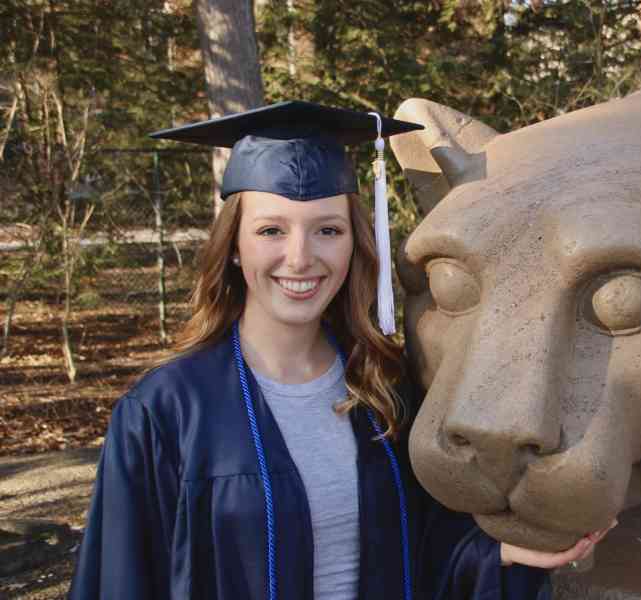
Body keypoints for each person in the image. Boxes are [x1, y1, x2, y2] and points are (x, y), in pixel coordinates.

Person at [68, 102, 610, 600]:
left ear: (355, 243)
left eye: (327, 230)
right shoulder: (165, 412)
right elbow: (122, 579)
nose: (300, 258)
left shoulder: (384, 388)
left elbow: (426, 552)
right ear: (234, 248)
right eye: (271, 231)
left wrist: (508, 554)